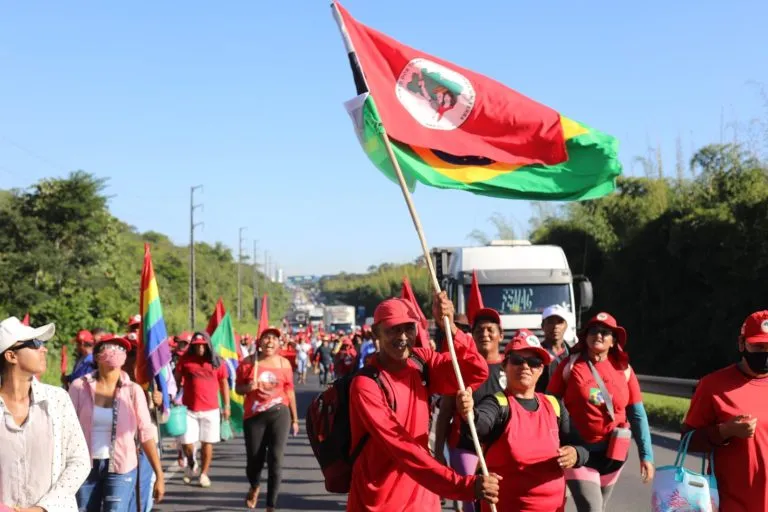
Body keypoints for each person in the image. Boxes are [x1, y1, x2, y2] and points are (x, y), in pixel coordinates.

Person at [347, 293, 500, 511]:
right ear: (376, 333)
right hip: (380, 501)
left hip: (423, 497)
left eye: (409, 328)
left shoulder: (422, 361)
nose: (403, 337)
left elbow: (476, 370)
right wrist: (462, 486)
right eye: (393, 329)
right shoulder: (365, 384)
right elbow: (402, 448)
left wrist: (450, 327)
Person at [456, 329, 588, 511]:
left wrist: (575, 453)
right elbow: (479, 425)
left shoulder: (554, 405)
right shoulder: (498, 403)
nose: (525, 366)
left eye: (534, 362)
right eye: (517, 360)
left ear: (541, 369)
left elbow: (581, 446)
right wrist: (468, 412)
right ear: (505, 366)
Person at [547, 312, 653, 512]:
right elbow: (548, 405)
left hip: (614, 454)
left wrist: (646, 455)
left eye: (605, 332)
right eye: (593, 331)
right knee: (592, 509)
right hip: (578, 453)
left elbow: (637, 414)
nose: (599, 335)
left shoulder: (624, 370)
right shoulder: (570, 365)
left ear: (614, 341)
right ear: (585, 336)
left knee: (599, 508)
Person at [0, 316, 90, 512]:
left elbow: (79, 461)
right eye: (35, 343)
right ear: (11, 356)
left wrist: (43, 507)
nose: (44, 349)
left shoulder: (57, 400)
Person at [681, 310, 768, 511]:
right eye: (758, 346)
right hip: (732, 503)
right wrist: (725, 431)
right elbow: (688, 441)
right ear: (741, 343)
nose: (765, 353)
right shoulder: (712, 385)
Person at [69, 334, 165, 512]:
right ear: (96, 356)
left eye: (121, 348)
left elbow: (145, 433)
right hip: (84, 467)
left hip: (122, 467)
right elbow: (66, 430)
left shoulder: (133, 390)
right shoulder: (79, 387)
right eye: (109, 347)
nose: (115, 352)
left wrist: (159, 474)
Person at [433, 307, 506, 512]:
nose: (485, 334)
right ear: (472, 336)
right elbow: (445, 411)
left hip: (500, 449)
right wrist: (438, 452)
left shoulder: (512, 366)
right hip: (465, 446)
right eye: (479, 330)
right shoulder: (460, 369)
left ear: (501, 335)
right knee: (473, 503)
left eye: (490, 330)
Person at [235, 327, 299, 510]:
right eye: (266, 338)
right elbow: (238, 388)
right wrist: (248, 388)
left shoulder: (284, 364)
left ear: (279, 343)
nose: (270, 341)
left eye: (274, 338)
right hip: (254, 416)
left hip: (279, 412)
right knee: (254, 459)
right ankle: (254, 485)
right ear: (260, 342)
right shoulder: (248, 363)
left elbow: (290, 391)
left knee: (276, 459)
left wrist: (295, 419)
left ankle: (271, 504)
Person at [174, 331, 231, 488]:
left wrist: (226, 406)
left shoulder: (217, 361)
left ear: (208, 345)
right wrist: (172, 398)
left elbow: (224, 384)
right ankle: (191, 462)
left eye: (203, 345)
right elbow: (176, 380)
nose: (200, 348)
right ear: (192, 346)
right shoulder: (185, 360)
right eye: (196, 345)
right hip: (189, 409)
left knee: (207, 443)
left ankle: (204, 474)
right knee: (186, 442)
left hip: (211, 409)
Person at [536, 305, 573, 393]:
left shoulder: (573, 354)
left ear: (566, 325)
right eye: (550, 322)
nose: (555, 326)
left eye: (560, 322)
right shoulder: (536, 354)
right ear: (542, 326)